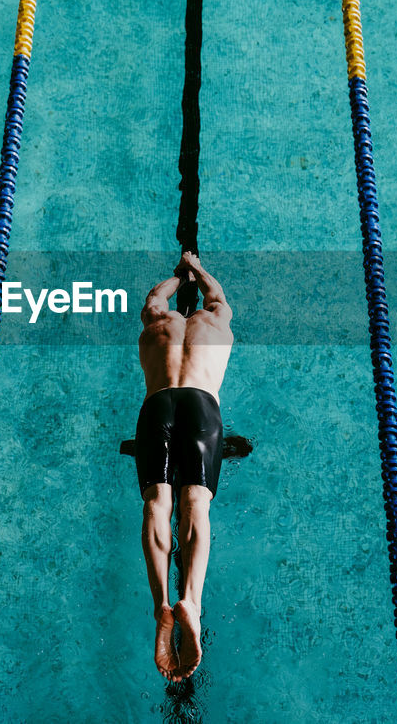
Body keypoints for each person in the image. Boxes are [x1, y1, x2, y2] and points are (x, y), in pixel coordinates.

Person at [134, 251, 234, 682]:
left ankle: (161, 604)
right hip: (202, 405)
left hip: (157, 406)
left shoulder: (157, 320)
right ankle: (189, 601)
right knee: (196, 502)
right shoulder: (218, 319)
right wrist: (197, 268)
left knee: (157, 502)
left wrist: (176, 274)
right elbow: (217, 295)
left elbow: (155, 297)